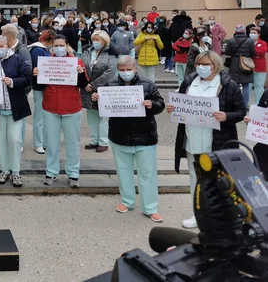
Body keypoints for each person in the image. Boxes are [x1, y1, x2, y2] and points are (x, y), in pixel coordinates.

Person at [168, 51, 245, 229]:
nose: (202, 68)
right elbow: (181, 104)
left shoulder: (228, 85)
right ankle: (199, 215)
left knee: (218, 179)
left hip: (217, 140)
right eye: (199, 64)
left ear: (215, 65)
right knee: (196, 178)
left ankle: (220, 216)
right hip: (192, 138)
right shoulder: (189, 82)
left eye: (206, 64)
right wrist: (173, 109)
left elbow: (241, 112)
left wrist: (226, 116)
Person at [92, 56, 165, 222]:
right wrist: (96, 101)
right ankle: (127, 201)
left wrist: (151, 104)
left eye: (128, 69)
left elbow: (159, 103)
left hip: (145, 136)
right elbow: (103, 108)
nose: (125, 73)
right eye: (122, 70)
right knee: (123, 171)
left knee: (147, 174)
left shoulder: (147, 84)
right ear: (118, 70)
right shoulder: (110, 85)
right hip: (120, 136)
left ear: (135, 69)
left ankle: (150, 207)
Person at [0, 35, 31, 188]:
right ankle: (4, 169)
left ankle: (16, 171)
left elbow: (26, 78)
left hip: (15, 107)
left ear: (7, 46)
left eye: (1, 46)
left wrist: (12, 82)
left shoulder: (17, 59)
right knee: (1, 142)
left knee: (15, 140)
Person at [40, 35, 88, 188]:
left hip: (71, 107)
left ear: (67, 45)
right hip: (50, 106)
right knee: (51, 142)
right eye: (56, 45)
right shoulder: (46, 62)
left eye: (62, 45)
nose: (59, 48)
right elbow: (38, 86)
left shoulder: (77, 62)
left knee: (72, 142)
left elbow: (83, 84)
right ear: (51, 47)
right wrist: (35, 74)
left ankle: (73, 173)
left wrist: (80, 72)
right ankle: (51, 171)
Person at [81, 30, 117, 153]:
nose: (96, 42)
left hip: (104, 88)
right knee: (91, 116)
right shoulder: (87, 51)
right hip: (87, 88)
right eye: (94, 39)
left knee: (103, 117)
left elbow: (110, 71)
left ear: (105, 41)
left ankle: (103, 142)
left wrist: (93, 85)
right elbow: (81, 67)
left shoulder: (111, 53)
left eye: (98, 40)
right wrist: (85, 83)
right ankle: (94, 140)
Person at [28, 30, 55, 154]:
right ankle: (38, 142)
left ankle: (43, 141)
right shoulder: (38, 50)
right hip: (40, 86)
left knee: (45, 116)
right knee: (40, 116)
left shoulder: (42, 49)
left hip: (44, 85)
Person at [225, 24, 256, 107]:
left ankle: (235, 104)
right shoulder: (250, 41)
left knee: (234, 85)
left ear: (235, 31)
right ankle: (245, 105)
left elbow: (227, 52)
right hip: (246, 64)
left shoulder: (231, 41)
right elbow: (253, 53)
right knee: (246, 86)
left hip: (234, 64)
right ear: (244, 31)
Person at [250, 26, 267, 105]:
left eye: (254, 33)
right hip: (249, 68)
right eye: (251, 33)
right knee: (248, 87)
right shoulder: (248, 42)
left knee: (259, 87)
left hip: (260, 68)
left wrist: (253, 53)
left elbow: (262, 52)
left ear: (258, 34)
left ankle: (258, 104)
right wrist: (255, 54)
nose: (252, 34)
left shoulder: (263, 43)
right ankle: (247, 104)